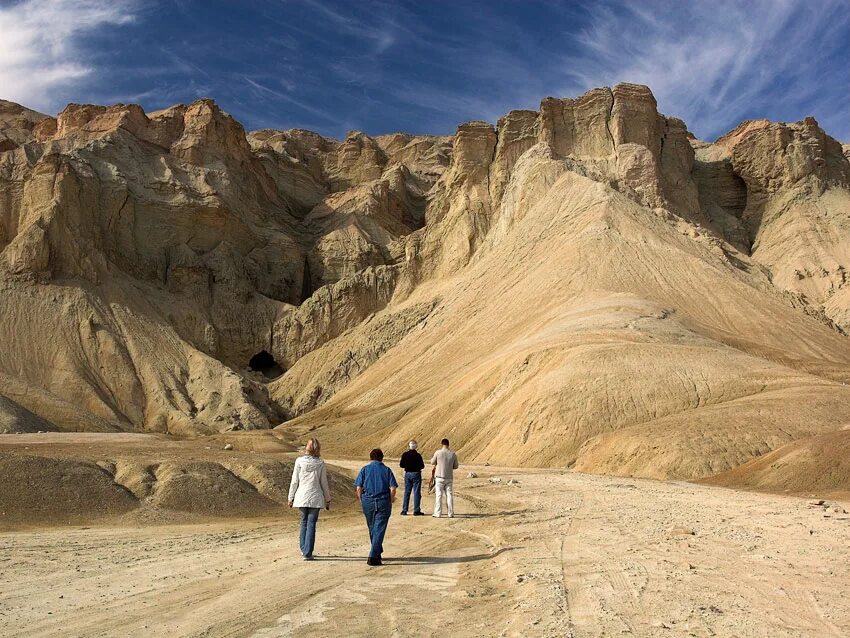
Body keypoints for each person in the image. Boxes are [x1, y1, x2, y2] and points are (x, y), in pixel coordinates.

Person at [287, 438, 331, 561]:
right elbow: (324, 483)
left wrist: (291, 497)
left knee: (304, 522)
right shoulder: (321, 463)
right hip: (316, 497)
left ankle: (303, 549)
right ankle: (307, 552)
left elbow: (294, 481)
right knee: (311, 524)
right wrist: (328, 499)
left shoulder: (299, 461)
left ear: (308, 447)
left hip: (301, 496)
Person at [354, 448, 398, 566]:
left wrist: (361, 500)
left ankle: (377, 552)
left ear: (370, 458)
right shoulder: (387, 470)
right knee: (379, 528)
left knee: (372, 527)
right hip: (383, 500)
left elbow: (358, 488)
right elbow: (393, 488)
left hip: (368, 501)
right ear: (382, 458)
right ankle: (373, 556)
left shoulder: (365, 469)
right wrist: (390, 500)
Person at [430, 438, 459, 518]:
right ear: (448, 444)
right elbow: (456, 466)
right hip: (449, 477)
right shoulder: (453, 454)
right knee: (449, 495)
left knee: (439, 495)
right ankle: (450, 513)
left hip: (439, 477)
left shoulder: (438, 452)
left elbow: (432, 462)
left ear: (442, 444)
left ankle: (438, 513)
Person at [399, 440, 425, 516]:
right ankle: (416, 510)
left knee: (407, 492)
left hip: (408, 474)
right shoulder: (418, 455)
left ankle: (404, 510)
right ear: (416, 446)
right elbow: (422, 466)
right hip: (416, 474)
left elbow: (401, 465)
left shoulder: (405, 455)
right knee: (416, 492)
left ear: (409, 446)